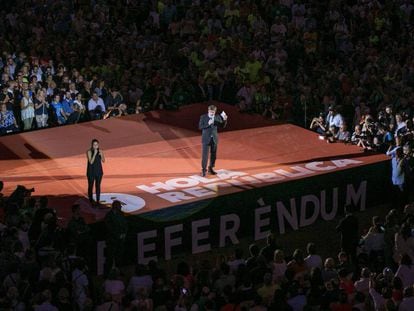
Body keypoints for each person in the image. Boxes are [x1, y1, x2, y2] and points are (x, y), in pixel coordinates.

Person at [198, 105, 227, 176]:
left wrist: (225, 120)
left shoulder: (217, 117)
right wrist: (208, 124)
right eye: (211, 112)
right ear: (208, 111)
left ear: (215, 111)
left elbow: (222, 126)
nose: (212, 113)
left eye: (213, 112)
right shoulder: (203, 117)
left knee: (213, 155)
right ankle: (204, 170)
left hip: (214, 138)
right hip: (206, 139)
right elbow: (200, 127)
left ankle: (211, 168)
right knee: (205, 155)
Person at [86, 139, 105, 205]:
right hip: (91, 172)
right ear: (92, 145)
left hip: (99, 171)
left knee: (98, 186)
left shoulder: (100, 151)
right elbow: (91, 162)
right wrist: (95, 154)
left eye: (96, 144)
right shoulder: (89, 152)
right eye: (94, 145)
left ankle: (97, 200)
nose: (95, 146)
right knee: (90, 186)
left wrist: (101, 154)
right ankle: (90, 200)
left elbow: (103, 160)